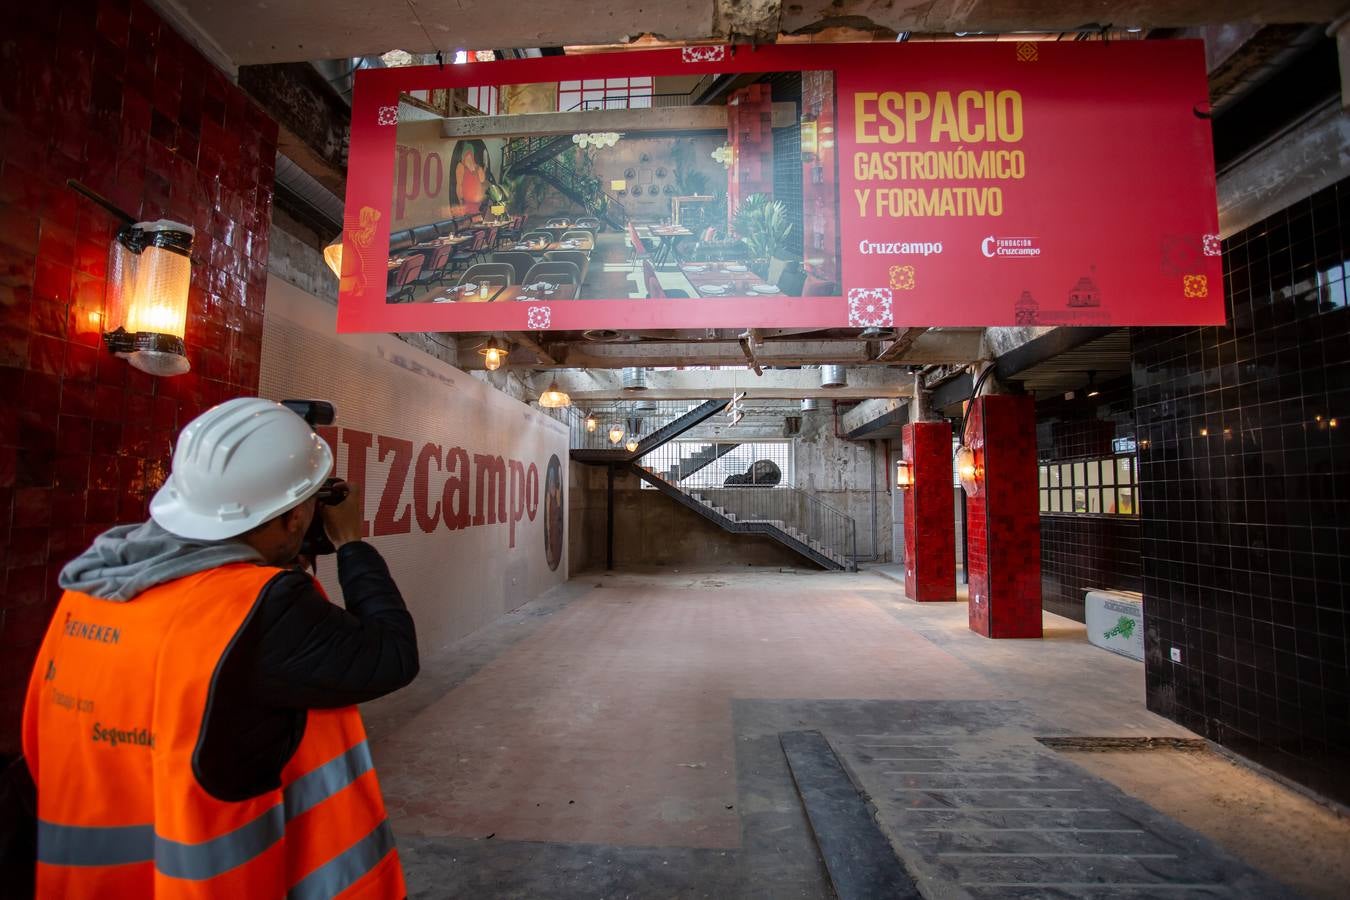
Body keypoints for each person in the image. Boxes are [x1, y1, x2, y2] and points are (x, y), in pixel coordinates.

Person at [21, 397, 419, 898]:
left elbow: (38, 748)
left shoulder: (88, 591)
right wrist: (353, 543)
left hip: (81, 881)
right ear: (295, 517)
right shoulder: (258, 608)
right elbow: (392, 654)